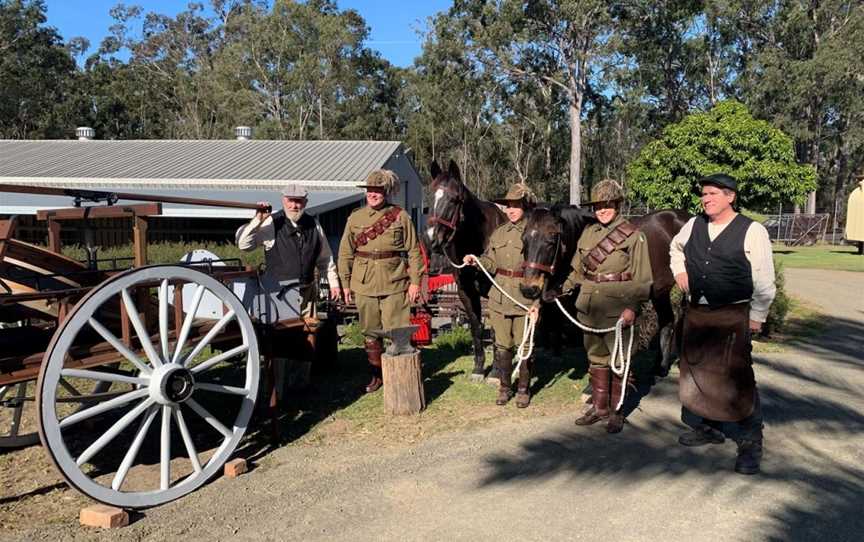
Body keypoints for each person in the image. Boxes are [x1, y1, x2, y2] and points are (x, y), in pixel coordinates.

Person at [670, 173, 776, 475]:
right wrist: (679, 271)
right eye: (704, 194)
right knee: (699, 371)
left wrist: (757, 316)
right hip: (698, 314)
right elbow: (675, 250)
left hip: (733, 315)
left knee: (737, 376)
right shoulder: (694, 225)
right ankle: (708, 427)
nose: (706, 199)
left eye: (713, 193)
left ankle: (751, 440)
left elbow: (765, 280)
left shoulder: (752, 230)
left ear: (730, 196)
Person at [551, 179, 653, 433]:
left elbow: (643, 279)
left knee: (620, 359)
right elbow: (578, 270)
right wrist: (561, 289)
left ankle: (617, 410)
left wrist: (633, 308)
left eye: (607, 205)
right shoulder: (588, 233)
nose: (602, 210)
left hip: (618, 308)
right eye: (598, 206)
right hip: (589, 306)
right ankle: (599, 408)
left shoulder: (633, 235)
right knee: (596, 358)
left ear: (617, 205)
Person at [338, 169, 424, 393]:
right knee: (370, 331)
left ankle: (400, 375)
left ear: (385, 192)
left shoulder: (400, 216)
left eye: (377, 191)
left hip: (395, 281)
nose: (373, 194)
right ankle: (377, 375)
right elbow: (345, 253)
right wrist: (345, 284)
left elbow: (414, 251)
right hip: (364, 283)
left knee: (398, 330)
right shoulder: (355, 218)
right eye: (370, 191)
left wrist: (415, 282)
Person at [464, 183, 537, 408]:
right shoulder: (499, 233)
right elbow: (492, 262)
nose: (511, 210)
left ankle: (523, 390)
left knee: (524, 346)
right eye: (508, 206)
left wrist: (536, 302)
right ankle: (505, 388)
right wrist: (477, 261)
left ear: (525, 206)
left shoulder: (533, 231)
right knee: (503, 346)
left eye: (515, 206)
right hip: (499, 295)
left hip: (523, 296)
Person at [236, 184, 341, 317]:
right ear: (283, 201)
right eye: (290, 201)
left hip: (307, 292)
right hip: (279, 294)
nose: (294, 206)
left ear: (305, 202)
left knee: (309, 333)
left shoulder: (314, 225)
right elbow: (244, 245)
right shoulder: (272, 223)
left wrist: (333, 284)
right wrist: (258, 220)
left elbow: (325, 260)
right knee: (284, 334)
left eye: (298, 201)